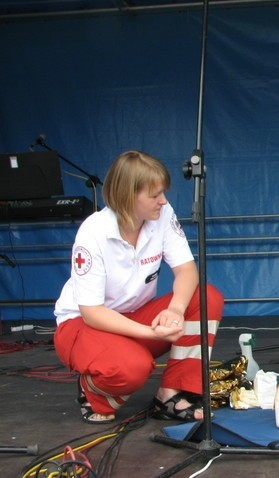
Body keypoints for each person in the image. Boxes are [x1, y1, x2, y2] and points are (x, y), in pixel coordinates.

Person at [54, 150, 224, 423]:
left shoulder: (162, 215)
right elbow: (92, 312)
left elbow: (187, 270)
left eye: (163, 192)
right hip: (82, 325)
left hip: (133, 317)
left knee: (206, 298)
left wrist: (176, 310)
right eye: (154, 195)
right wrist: (151, 332)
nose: (163, 200)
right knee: (133, 367)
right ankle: (93, 391)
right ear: (127, 196)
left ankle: (170, 394)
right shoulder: (93, 232)